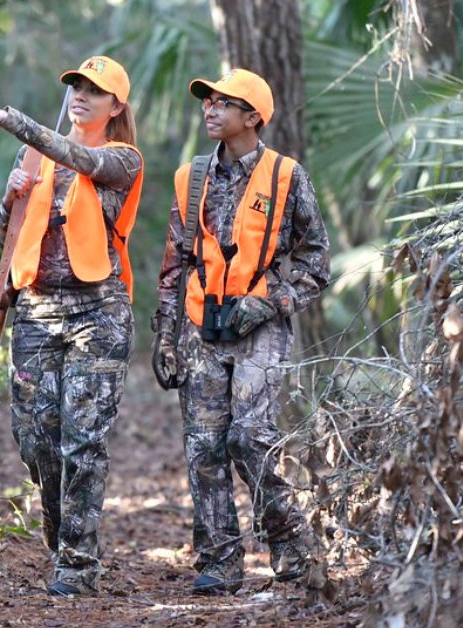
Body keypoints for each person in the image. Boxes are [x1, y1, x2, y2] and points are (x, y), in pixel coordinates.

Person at [0, 55, 143, 597]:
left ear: (115, 106)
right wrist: (11, 196)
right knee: (36, 439)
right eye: (76, 86)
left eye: (94, 90)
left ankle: (78, 566)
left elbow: (75, 155)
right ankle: (64, 533)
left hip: (97, 313)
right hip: (36, 312)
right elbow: (5, 237)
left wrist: (9, 119)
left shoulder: (121, 158)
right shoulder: (32, 157)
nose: (81, 95)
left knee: (84, 440)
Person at [151, 69, 330, 595]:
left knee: (250, 436)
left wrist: (270, 301)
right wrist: (165, 335)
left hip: (260, 327)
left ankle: (292, 546)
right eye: (207, 101)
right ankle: (219, 561)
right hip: (200, 326)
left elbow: (316, 261)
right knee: (203, 445)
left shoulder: (285, 175)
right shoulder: (191, 177)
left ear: (253, 116)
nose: (209, 109)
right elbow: (174, 263)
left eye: (223, 103)